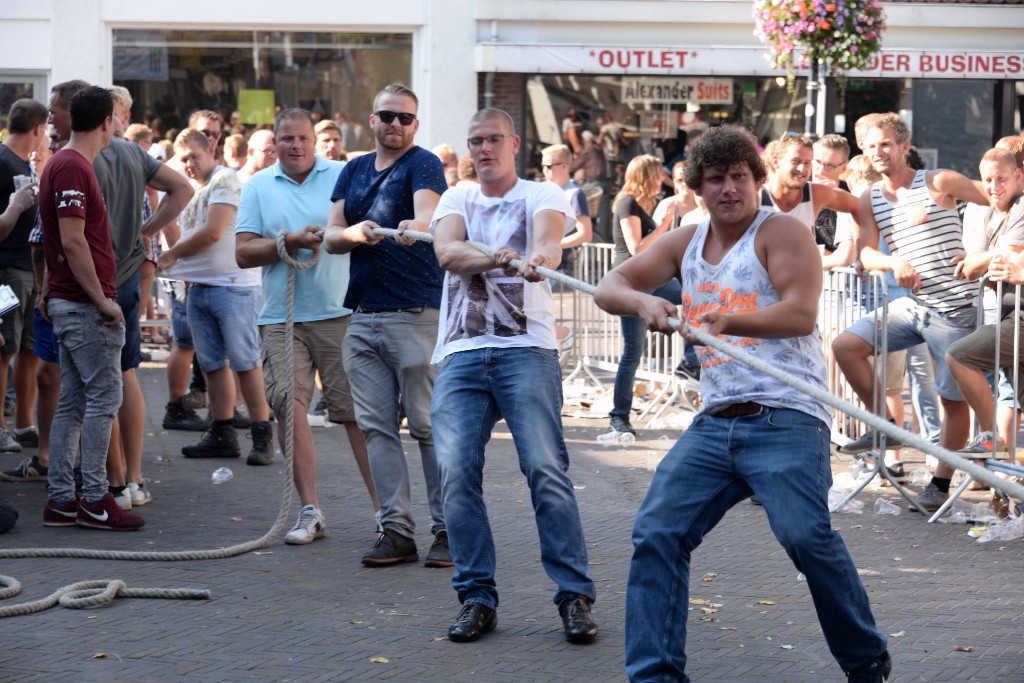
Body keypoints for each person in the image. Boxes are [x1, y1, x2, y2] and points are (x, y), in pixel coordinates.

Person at [594, 124, 890, 683]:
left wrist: (727, 321)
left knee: (805, 535)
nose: (728, 188)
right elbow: (610, 284)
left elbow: (801, 313)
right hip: (715, 420)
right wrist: (642, 304)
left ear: (756, 179)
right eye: (715, 179)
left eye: (737, 176)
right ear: (698, 188)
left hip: (787, 414)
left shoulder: (779, 232)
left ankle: (864, 657)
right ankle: (655, 675)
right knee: (657, 532)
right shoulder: (686, 240)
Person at [430, 107, 598, 645]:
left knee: (546, 469)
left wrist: (535, 256)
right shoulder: (457, 197)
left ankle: (574, 596)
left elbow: (549, 242)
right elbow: (447, 252)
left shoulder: (539, 194)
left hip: (527, 349)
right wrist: (499, 257)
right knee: (455, 472)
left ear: (515, 143)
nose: (483, 149)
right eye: (475, 140)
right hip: (462, 351)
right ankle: (476, 597)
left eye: (493, 140)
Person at [832, 112, 990, 513]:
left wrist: (984, 253)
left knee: (950, 401)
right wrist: (891, 264)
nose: (878, 152)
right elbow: (867, 252)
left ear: (904, 146)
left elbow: (999, 200)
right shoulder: (869, 197)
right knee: (846, 345)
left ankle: (939, 483)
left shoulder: (938, 182)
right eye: (870, 146)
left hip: (955, 309)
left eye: (885, 143)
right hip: (912, 306)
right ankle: (887, 427)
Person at [236, 108, 379, 543]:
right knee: (287, 405)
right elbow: (243, 252)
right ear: (274, 143)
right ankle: (310, 510)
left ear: (315, 142)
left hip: (340, 311)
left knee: (358, 414)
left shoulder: (344, 174)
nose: (294, 146)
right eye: (286, 139)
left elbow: (371, 231)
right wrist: (289, 241)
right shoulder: (258, 185)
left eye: (302, 138)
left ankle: (386, 512)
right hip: (283, 316)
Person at [323, 83, 449, 567]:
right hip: (364, 315)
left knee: (428, 429)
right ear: (372, 120)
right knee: (376, 429)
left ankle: (448, 532)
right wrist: (353, 233)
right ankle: (395, 530)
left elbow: (427, 216)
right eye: (387, 116)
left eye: (405, 118)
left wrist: (414, 229)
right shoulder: (352, 169)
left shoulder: (423, 163)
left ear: (415, 125)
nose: (395, 124)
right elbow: (333, 234)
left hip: (416, 314)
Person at [39, 85, 143, 531]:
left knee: (76, 403)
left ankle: (63, 500)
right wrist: (101, 298)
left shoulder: (64, 164)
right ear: (108, 121)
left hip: (71, 301)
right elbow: (72, 238)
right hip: (85, 306)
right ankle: (96, 498)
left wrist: (50, 290)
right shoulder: (72, 166)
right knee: (104, 398)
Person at [95, 84, 193, 510]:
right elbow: (181, 191)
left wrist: (148, 233)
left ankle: (120, 481)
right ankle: (129, 479)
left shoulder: (108, 153)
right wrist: (148, 234)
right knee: (124, 372)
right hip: (128, 273)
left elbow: (181, 191)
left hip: (109, 278)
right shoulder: (131, 153)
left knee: (111, 377)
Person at [158, 128, 272, 465]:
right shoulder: (193, 187)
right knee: (211, 364)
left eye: (195, 156)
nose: (190, 164)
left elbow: (212, 232)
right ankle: (222, 431)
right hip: (200, 286)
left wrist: (172, 255)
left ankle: (262, 434)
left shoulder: (225, 180)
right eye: (184, 159)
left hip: (233, 285)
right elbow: (189, 230)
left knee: (245, 361)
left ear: (212, 149)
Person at [946, 148, 1024, 454]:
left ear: (1018, 176)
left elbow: (1002, 259)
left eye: (1001, 178)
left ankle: (994, 440)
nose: (993, 186)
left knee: (959, 356)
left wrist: (1007, 265)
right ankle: (1006, 479)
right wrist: (991, 259)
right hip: (1003, 313)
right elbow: (967, 268)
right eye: (987, 180)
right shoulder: (983, 210)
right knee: (1014, 397)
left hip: (1017, 318)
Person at [608, 154, 681, 435]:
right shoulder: (627, 202)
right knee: (632, 353)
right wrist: (663, 225)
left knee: (696, 295)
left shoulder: (640, 203)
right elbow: (636, 247)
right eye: (658, 175)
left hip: (652, 281)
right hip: (632, 284)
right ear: (646, 176)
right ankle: (619, 415)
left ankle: (691, 361)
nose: (661, 181)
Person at [0, 98, 48, 453]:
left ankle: (24, 424)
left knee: (29, 349)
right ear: (38, 128)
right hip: (7, 270)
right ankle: (0, 426)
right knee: (3, 350)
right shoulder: (2, 162)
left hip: (29, 269)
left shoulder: (26, 164)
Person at [761, 133, 861, 232]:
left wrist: (856, 242)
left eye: (807, 163)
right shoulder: (755, 197)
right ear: (776, 161)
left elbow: (860, 206)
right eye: (795, 161)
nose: (802, 169)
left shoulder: (815, 193)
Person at [540, 144, 592, 267]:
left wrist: (553, 245)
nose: (544, 171)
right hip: (537, 261)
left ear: (564, 166)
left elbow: (585, 234)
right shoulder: (543, 191)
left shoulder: (574, 194)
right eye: (543, 166)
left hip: (557, 265)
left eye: (549, 166)